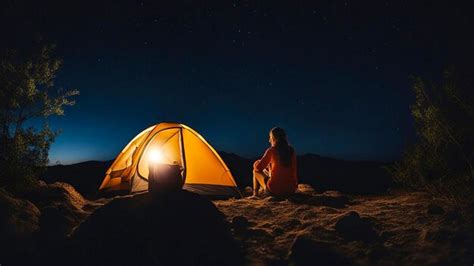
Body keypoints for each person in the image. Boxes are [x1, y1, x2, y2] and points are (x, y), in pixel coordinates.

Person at [252, 127, 297, 197]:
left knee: (255, 171)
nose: (269, 140)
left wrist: (257, 162)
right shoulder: (291, 151)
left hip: (275, 190)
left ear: (274, 138)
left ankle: (255, 194)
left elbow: (258, 168)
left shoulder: (272, 150)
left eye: (270, 137)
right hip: (291, 189)